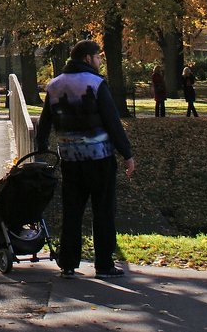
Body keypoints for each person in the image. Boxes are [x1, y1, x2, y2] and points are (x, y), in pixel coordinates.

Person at [36, 40, 135, 279]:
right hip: (99, 157)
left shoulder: (54, 85)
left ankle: (68, 263)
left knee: (72, 211)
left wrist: (43, 148)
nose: (100, 61)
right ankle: (103, 264)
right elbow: (112, 122)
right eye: (98, 57)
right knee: (103, 210)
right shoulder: (96, 84)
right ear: (88, 58)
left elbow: (44, 122)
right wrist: (127, 154)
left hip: (70, 158)